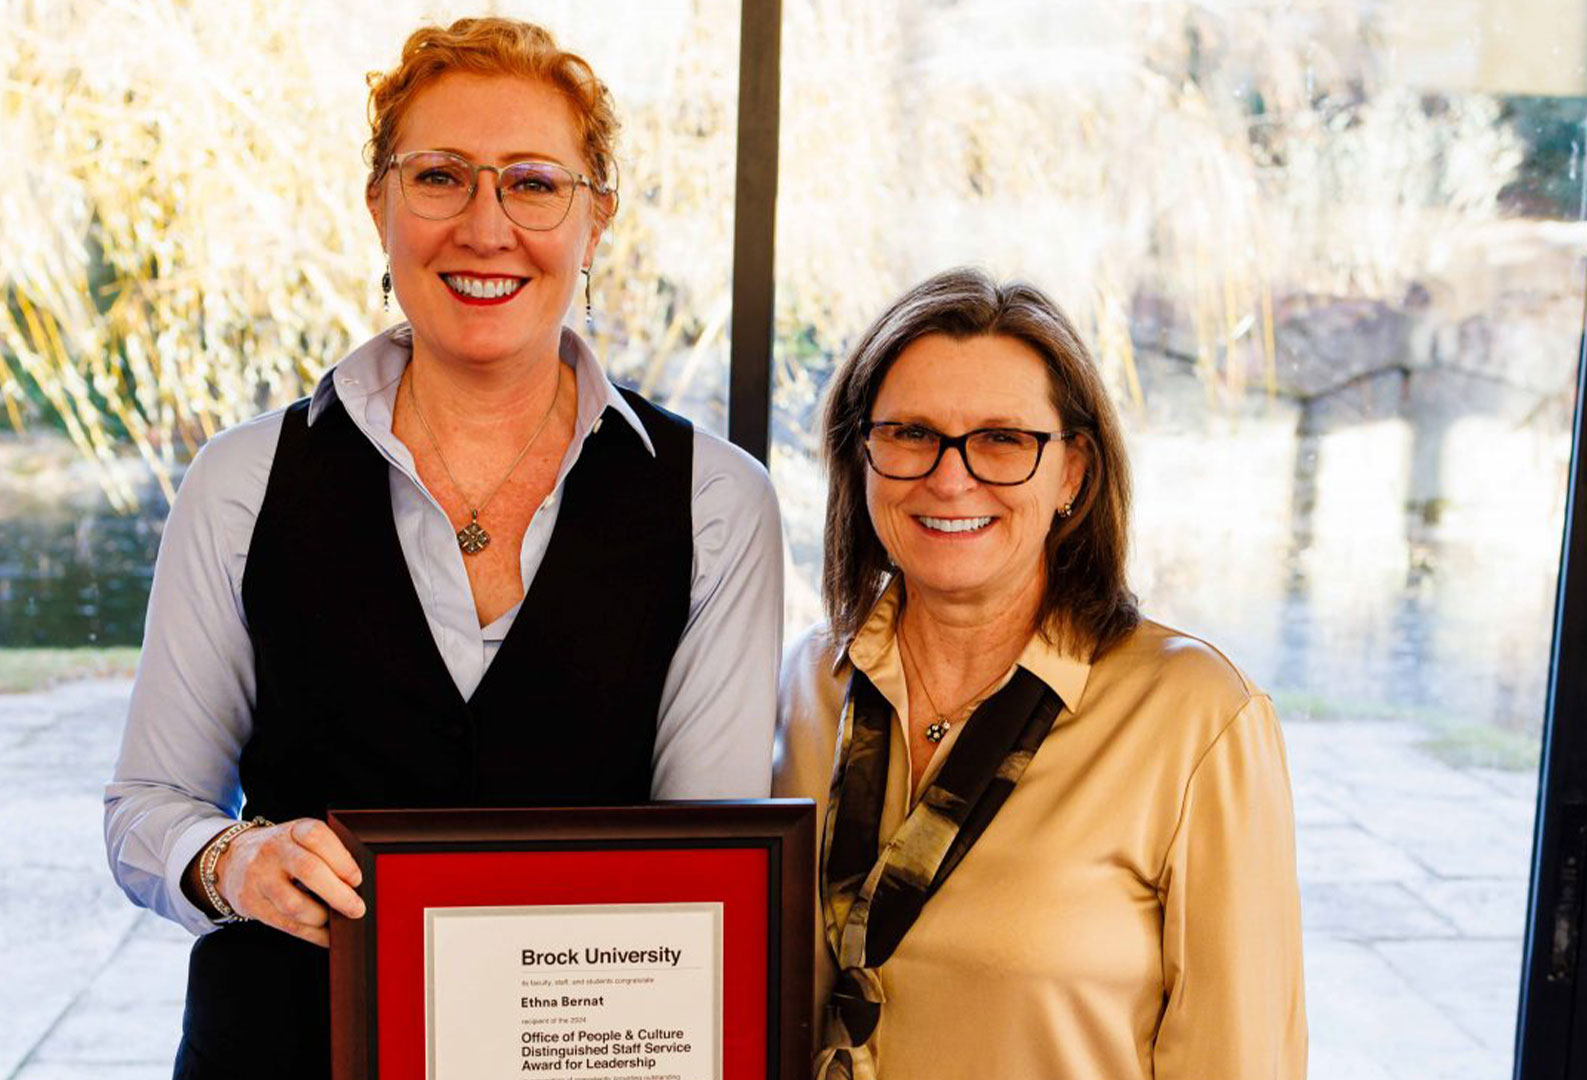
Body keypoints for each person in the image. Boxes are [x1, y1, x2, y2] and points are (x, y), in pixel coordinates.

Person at [103, 18, 782, 1080]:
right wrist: (234, 861)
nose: (485, 225)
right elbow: (149, 809)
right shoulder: (239, 484)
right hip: (279, 1052)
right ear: (380, 205)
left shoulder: (720, 503)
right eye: (440, 178)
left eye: (533, 184)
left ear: (595, 219)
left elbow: (703, 875)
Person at [773, 268, 1306, 1079]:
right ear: (862, 457)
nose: (950, 477)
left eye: (1003, 440)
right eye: (910, 434)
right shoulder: (803, 683)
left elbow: (1243, 1058)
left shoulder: (1198, 718)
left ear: (1075, 475)